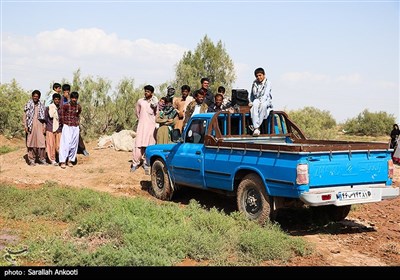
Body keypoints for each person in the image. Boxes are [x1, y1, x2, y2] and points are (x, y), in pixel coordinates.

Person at [131, 85, 158, 172]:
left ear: (152, 93)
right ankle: (135, 163)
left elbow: (157, 114)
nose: (146, 93)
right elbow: (137, 113)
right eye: (145, 91)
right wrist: (142, 120)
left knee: (149, 145)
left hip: (151, 127)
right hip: (142, 126)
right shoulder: (140, 101)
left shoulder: (155, 102)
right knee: (138, 145)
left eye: (148, 91)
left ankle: (146, 163)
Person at [61, 84, 89, 157]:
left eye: (67, 92)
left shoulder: (73, 99)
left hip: (73, 122)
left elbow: (78, 111)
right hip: (65, 122)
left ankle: (83, 149)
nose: (66, 93)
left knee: (77, 137)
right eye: (65, 92)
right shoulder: (61, 99)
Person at [23, 90, 47, 166]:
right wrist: (25, 125)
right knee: (31, 142)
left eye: (37, 96)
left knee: (42, 142)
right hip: (31, 126)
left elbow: (44, 118)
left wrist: (44, 126)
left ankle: (42, 159)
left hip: (40, 125)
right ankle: (31, 159)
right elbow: (25, 116)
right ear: (32, 96)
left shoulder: (42, 105)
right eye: (34, 96)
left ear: (39, 97)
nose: (35, 98)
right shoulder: (28, 105)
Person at [59, 91, 82, 169]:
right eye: (73, 98)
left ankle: (70, 160)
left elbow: (78, 115)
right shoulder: (65, 106)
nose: (74, 99)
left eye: (75, 98)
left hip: (75, 126)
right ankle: (62, 161)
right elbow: (61, 116)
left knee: (74, 144)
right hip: (67, 126)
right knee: (65, 144)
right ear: (70, 98)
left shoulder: (78, 107)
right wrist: (64, 124)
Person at [248, 67, 273, 136]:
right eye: (257, 76)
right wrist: (250, 101)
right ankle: (256, 127)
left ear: (264, 75)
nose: (258, 77)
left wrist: (261, 101)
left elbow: (266, 94)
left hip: (266, 100)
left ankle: (257, 126)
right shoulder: (254, 83)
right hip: (257, 100)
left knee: (263, 106)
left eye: (260, 75)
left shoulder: (268, 83)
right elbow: (252, 94)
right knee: (254, 105)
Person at [45, 93, 62, 166]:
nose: (57, 101)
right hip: (50, 128)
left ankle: (60, 159)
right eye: (55, 99)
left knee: (59, 145)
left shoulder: (61, 108)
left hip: (59, 129)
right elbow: (46, 118)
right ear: (53, 100)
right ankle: (52, 159)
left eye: (58, 99)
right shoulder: (49, 107)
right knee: (51, 145)